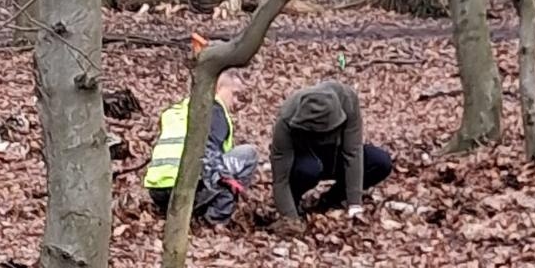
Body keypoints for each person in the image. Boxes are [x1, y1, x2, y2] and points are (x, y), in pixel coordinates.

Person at [144, 69, 258, 224]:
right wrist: (229, 185)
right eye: (235, 94)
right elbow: (210, 155)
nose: (237, 103)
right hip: (185, 189)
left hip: (157, 191)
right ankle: (214, 220)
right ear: (218, 88)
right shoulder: (213, 110)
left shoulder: (178, 109)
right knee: (248, 154)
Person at [270, 80, 392, 221]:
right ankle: (295, 203)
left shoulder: (348, 100)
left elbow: (353, 153)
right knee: (308, 169)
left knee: (380, 162)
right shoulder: (287, 118)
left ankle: (332, 200)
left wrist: (354, 204)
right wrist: (291, 220)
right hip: (305, 160)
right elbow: (281, 179)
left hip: (336, 154)